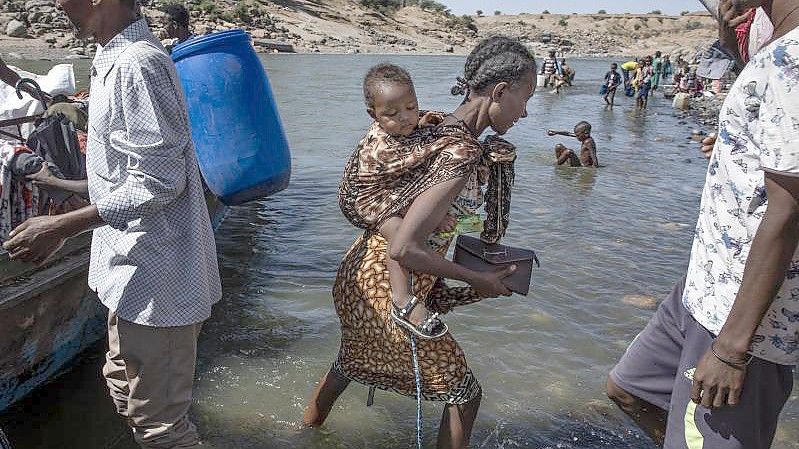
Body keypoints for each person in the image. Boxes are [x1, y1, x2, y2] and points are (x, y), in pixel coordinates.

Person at [3, 1, 221, 448]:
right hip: (129, 275)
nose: (58, 4)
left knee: (162, 428)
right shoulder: (111, 60)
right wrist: (63, 184)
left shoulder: (138, 64)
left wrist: (60, 228)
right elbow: (128, 172)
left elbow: (159, 181)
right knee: (124, 391)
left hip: (160, 278)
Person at [305, 35, 536, 449]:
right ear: (500, 92)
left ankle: (300, 437)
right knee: (464, 395)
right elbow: (405, 248)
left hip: (359, 274)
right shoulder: (460, 151)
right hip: (386, 287)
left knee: (350, 365)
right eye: (525, 97)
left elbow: (426, 232)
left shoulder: (437, 127)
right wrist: (476, 279)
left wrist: (476, 284)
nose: (526, 110)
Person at [606, 1, 799, 448]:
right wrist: (733, 48)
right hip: (703, 289)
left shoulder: (792, 57)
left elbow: (789, 211)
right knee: (628, 389)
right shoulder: (775, 47)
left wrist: (733, 349)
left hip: (742, 320)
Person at [342, 62, 457, 338]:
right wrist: (436, 215)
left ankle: (434, 283)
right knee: (402, 238)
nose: (405, 118)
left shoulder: (410, 123)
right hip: (370, 201)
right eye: (392, 114)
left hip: (392, 192)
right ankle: (402, 299)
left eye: (411, 107)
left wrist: (427, 120)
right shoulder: (379, 147)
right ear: (374, 115)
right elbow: (396, 192)